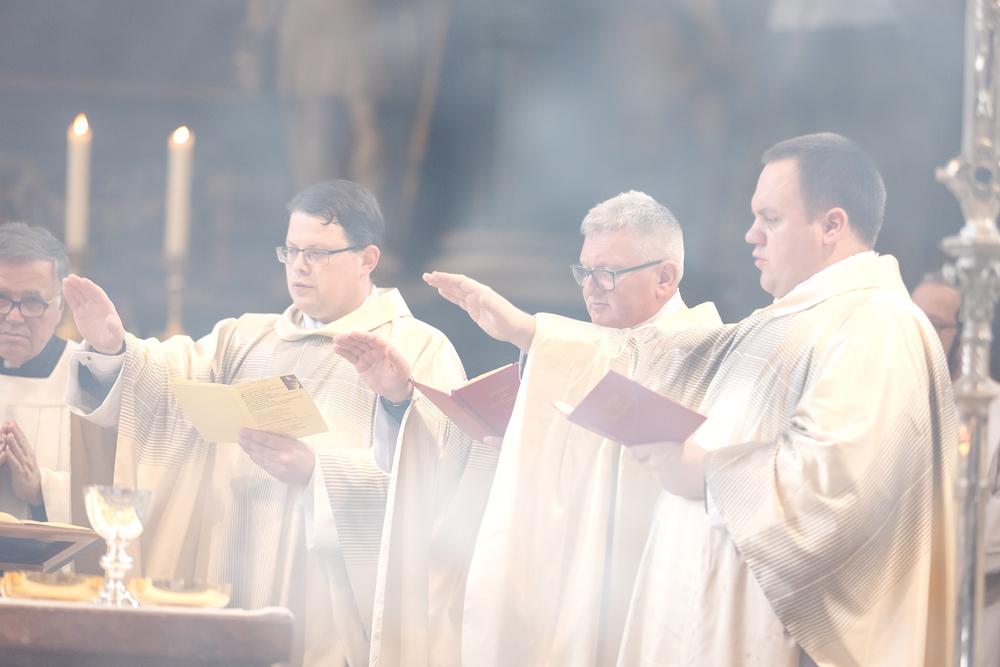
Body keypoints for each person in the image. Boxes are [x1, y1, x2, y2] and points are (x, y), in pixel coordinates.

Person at [425, 132, 955, 666]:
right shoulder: (791, 320)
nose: (751, 235)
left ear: (832, 225)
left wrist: (708, 475)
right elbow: (651, 360)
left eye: (770, 219)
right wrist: (528, 336)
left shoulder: (873, 324)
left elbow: (837, 489)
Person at [62, 181, 465, 667]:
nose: (299, 266)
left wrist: (324, 470)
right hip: (230, 577)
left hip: (327, 609)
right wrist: (114, 348)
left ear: (367, 258)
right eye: (291, 250)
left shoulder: (418, 348)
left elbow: (441, 481)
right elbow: (167, 388)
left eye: (317, 253)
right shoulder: (243, 338)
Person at [334, 191, 721, 667]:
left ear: (666, 277)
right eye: (584, 271)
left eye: (607, 273)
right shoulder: (575, 352)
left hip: (642, 587)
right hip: (563, 596)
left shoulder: (704, 351)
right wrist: (403, 400)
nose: (591, 288)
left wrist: (524, 330)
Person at [0, 222, 114, 533]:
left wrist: (40, 488)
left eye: (32, 302)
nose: (13, 316)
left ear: (59, 306)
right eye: (1, 298)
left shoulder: (90, 379)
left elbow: (113, 491)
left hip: (49, 562)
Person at [912, 274, 999, 667]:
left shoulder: (993, 414)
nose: (915, 336)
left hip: (972, 624)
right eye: (910, 319)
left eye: (931, 324)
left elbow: (986, 537)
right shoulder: (893, 404)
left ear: (966, 339)